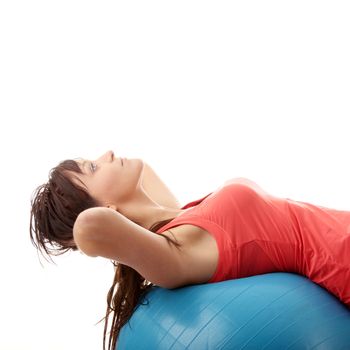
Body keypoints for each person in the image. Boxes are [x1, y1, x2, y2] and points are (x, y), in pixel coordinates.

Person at [29, 150, 350, 350]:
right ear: (108, 210)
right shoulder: (178, 251)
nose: (108, 153)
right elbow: (88, 227)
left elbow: (144, 177)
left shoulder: (178, 215)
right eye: (93, 168)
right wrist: (70, 222)